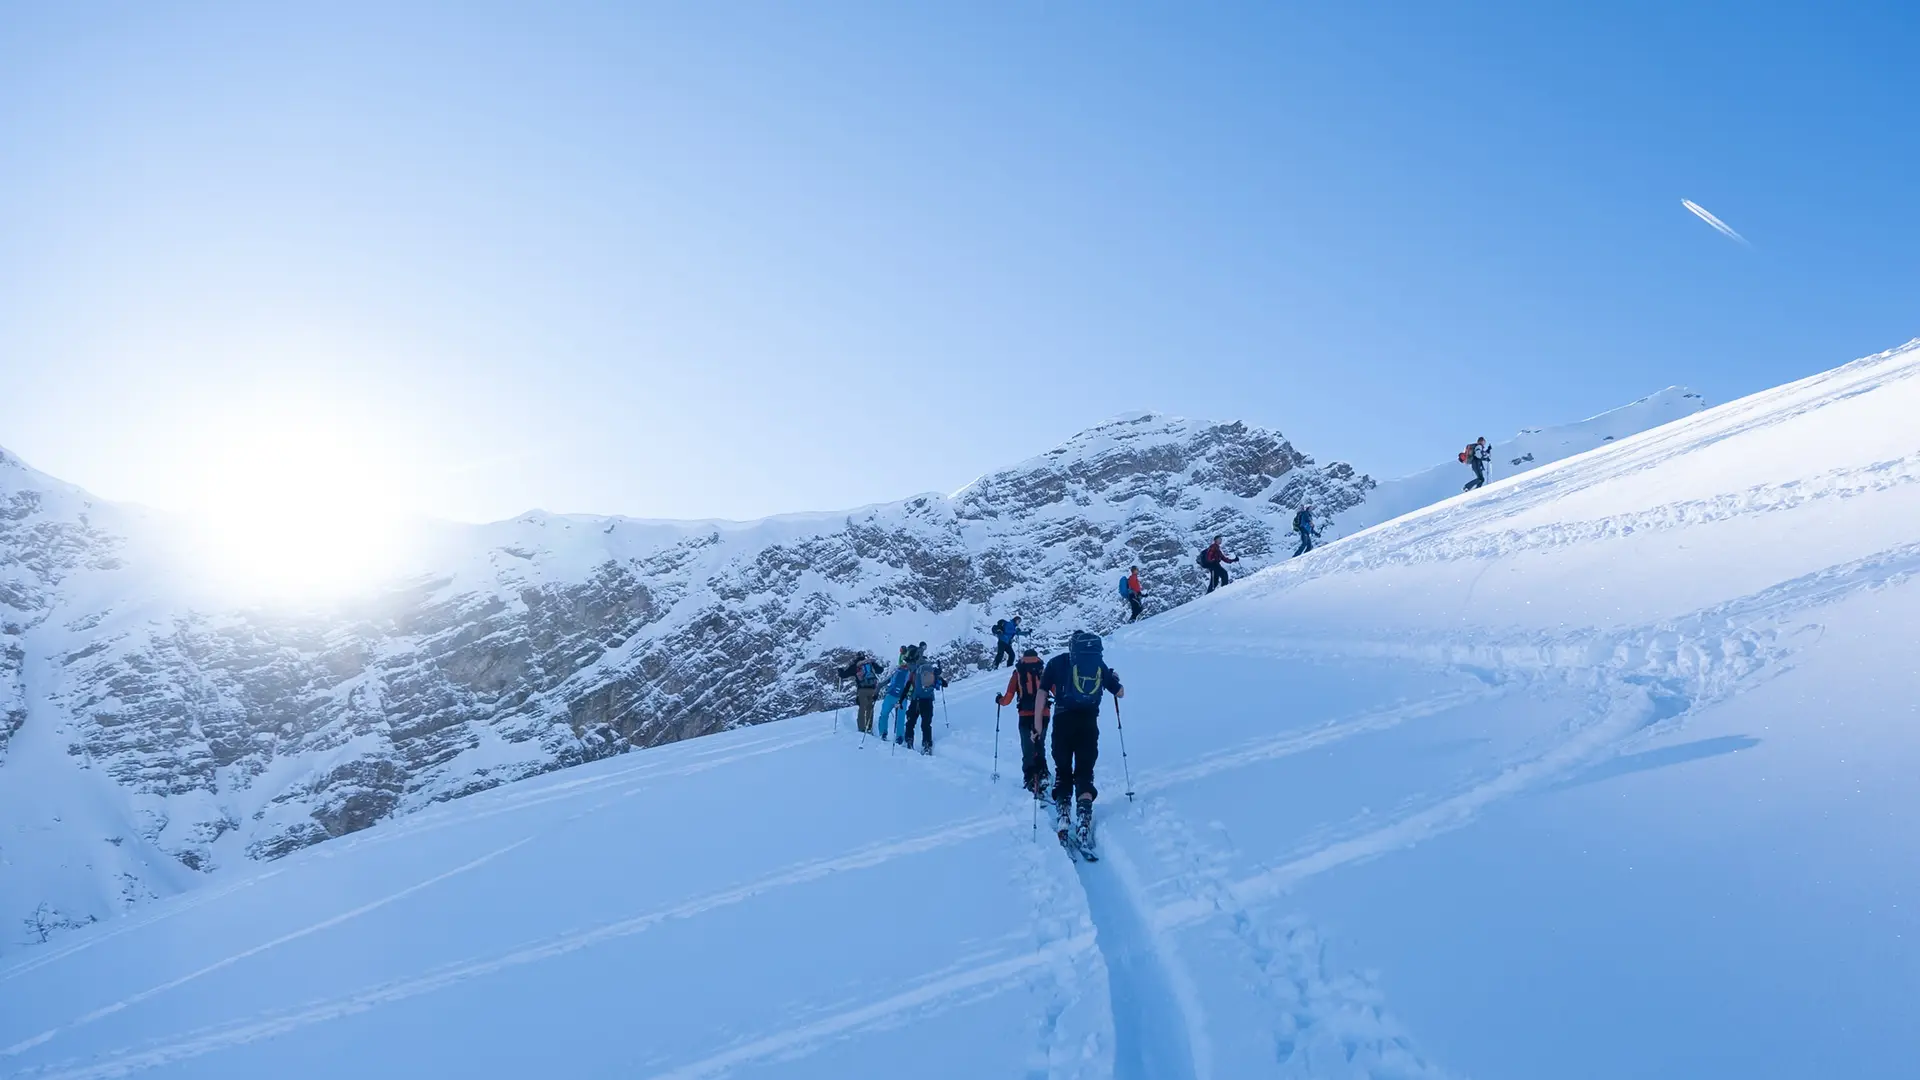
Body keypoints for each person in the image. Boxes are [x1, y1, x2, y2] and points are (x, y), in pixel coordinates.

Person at [1041, 630, 1124, 849]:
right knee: (1085, 771)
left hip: (1062, 720)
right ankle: (1084, 819)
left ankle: (1063, 814)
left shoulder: (1056, 663)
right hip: (1088, 722)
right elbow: (1120, 693)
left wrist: (1037, 726)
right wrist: (1113, 679)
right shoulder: (1098, 664)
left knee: (1063, 769)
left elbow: (1042, 693)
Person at [995, 647, 1051, 795]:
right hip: (1044, 713)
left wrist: (999, 700)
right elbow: (1056, 691)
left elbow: (1008, 697)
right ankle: (1043, 775)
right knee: (1040, 744)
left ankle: (1030, 778)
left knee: (1028, 748)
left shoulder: (1018, 673)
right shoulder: (1043, 671)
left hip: (1025, 715)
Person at [902, 650, 946, 754]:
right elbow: (943, 683)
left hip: (915, 700)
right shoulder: (931, 670)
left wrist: (901, 699)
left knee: (910, 722)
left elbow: (908, 685)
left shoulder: (914, 670)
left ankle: (909, 742)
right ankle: (927, 746)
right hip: (928, 700)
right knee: (926, 724)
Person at [835, 653, 884, 734]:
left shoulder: (856, 666)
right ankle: (869, 727)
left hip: (862, 690)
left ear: (856, 657)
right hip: (872, 689)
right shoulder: (870, 663)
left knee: (862, 708)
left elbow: (844, 675)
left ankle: (861, 728)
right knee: (870, 708)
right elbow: (880, 670)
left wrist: (840, 671)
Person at [876, 656, 912, 743]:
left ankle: (883, 733)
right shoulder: (910, 673)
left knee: (884, 714)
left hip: (890, 696)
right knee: (900, 717)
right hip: (902, 698)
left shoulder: (896, 671)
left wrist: (878, 688)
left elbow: (886, 681)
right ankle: (899, 737)